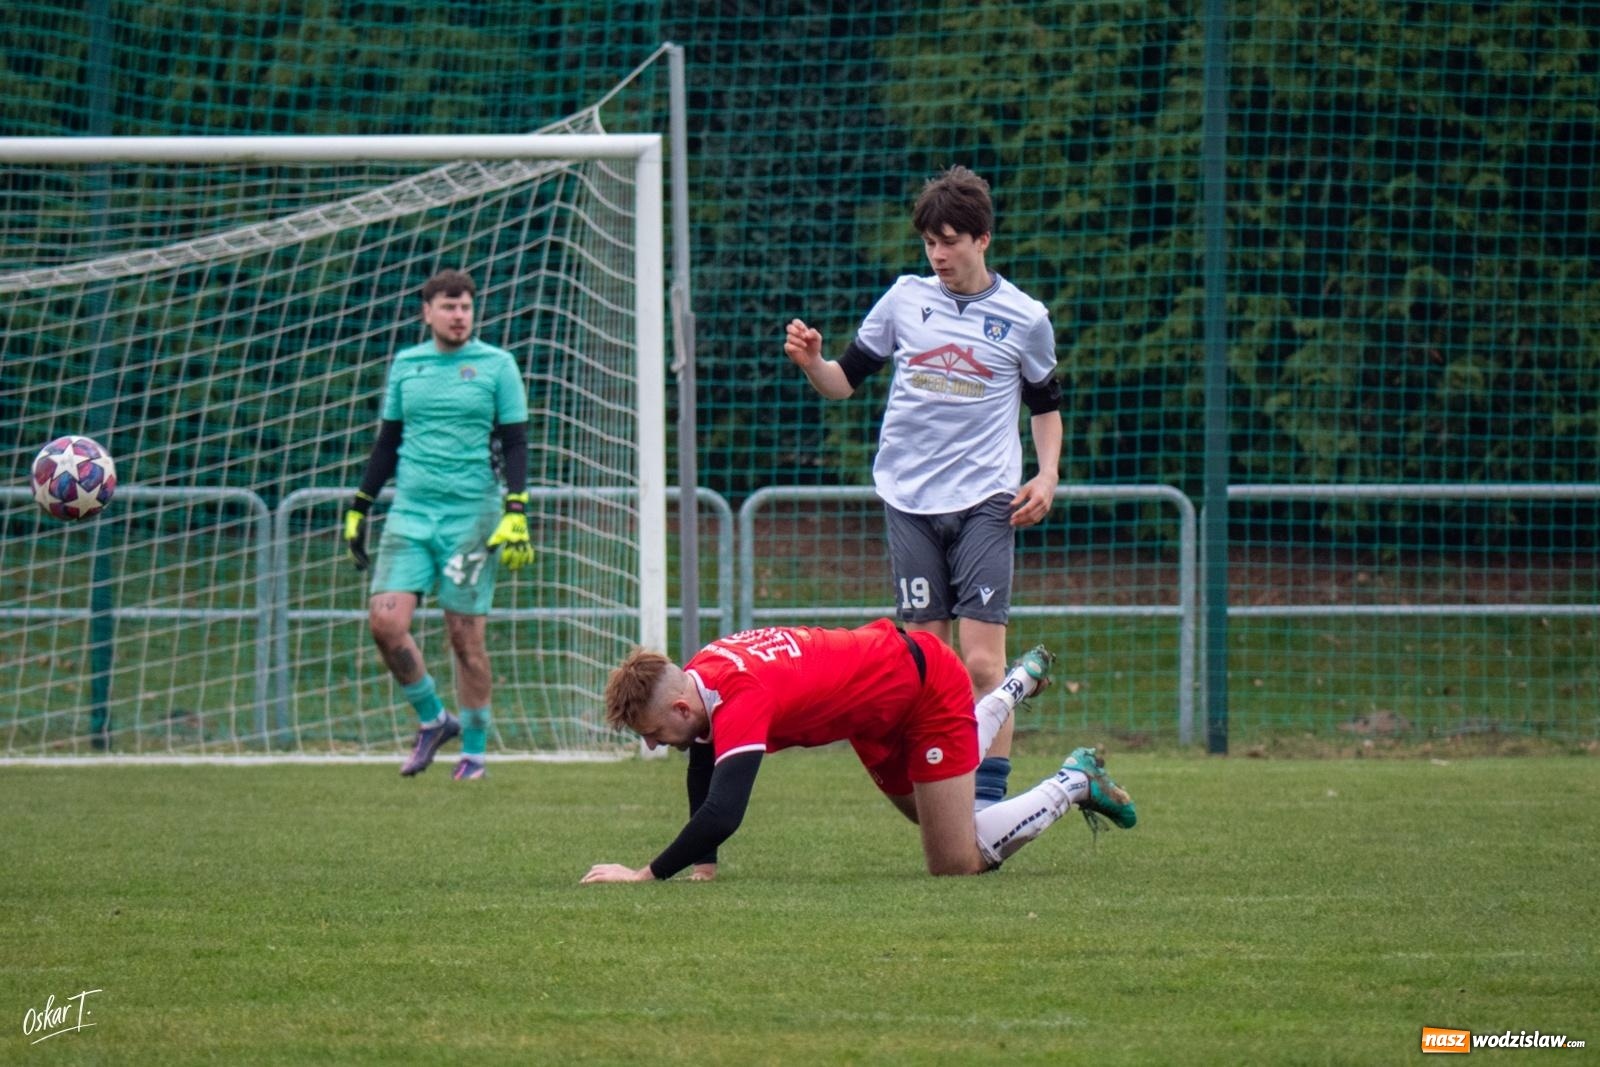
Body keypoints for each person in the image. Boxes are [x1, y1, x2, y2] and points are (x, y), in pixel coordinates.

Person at [783, 165, 1063, 812]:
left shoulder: (1025, 318)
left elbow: (1046, 405)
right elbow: (843, 382)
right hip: (908, 500)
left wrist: (1046, 474)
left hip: (988, 500)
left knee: (981, 664)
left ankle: (986, 806)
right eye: (929, 241)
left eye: (950, 240)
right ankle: (950, 797)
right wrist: (812, 363)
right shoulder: (905, 298)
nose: (938, 254)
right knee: (928, 665)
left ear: (982, 239)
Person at [580, 619, 1135, 884]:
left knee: (956, 859)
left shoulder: (740, 696)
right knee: (932, 815)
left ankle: (1074, 781)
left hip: (923, 688)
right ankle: (1016, 685)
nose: (653, 745)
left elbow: (724, 811)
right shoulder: (702, 676)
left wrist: (645, 875)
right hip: (872, 713)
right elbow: (705, 759)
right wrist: (704, 867)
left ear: (678, 707)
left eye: (652, 732)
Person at [343, 268, 534, 781]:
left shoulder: (497, 366)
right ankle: (433, 718)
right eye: (449, 307)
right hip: (410, 514)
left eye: (466, 307)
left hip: (473, 517)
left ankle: (473, 754)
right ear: (427, 312)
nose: (458, 316)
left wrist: (516, 508)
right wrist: (360, 505)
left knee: (464, 639)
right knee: (384, 622)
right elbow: (388, 441)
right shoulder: (408, 366)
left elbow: (515, 441)